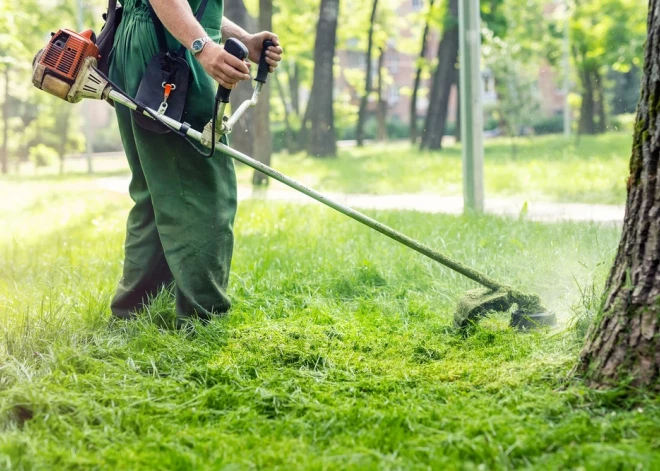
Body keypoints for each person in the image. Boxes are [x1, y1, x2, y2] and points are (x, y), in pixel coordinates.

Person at [109, 0, 283, 326]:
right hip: (169, 49)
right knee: (203, 189)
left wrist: (242, 39)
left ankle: (134, 312)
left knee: (156, 189)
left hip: (148, 42)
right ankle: (202, 319)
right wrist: (204, 48)